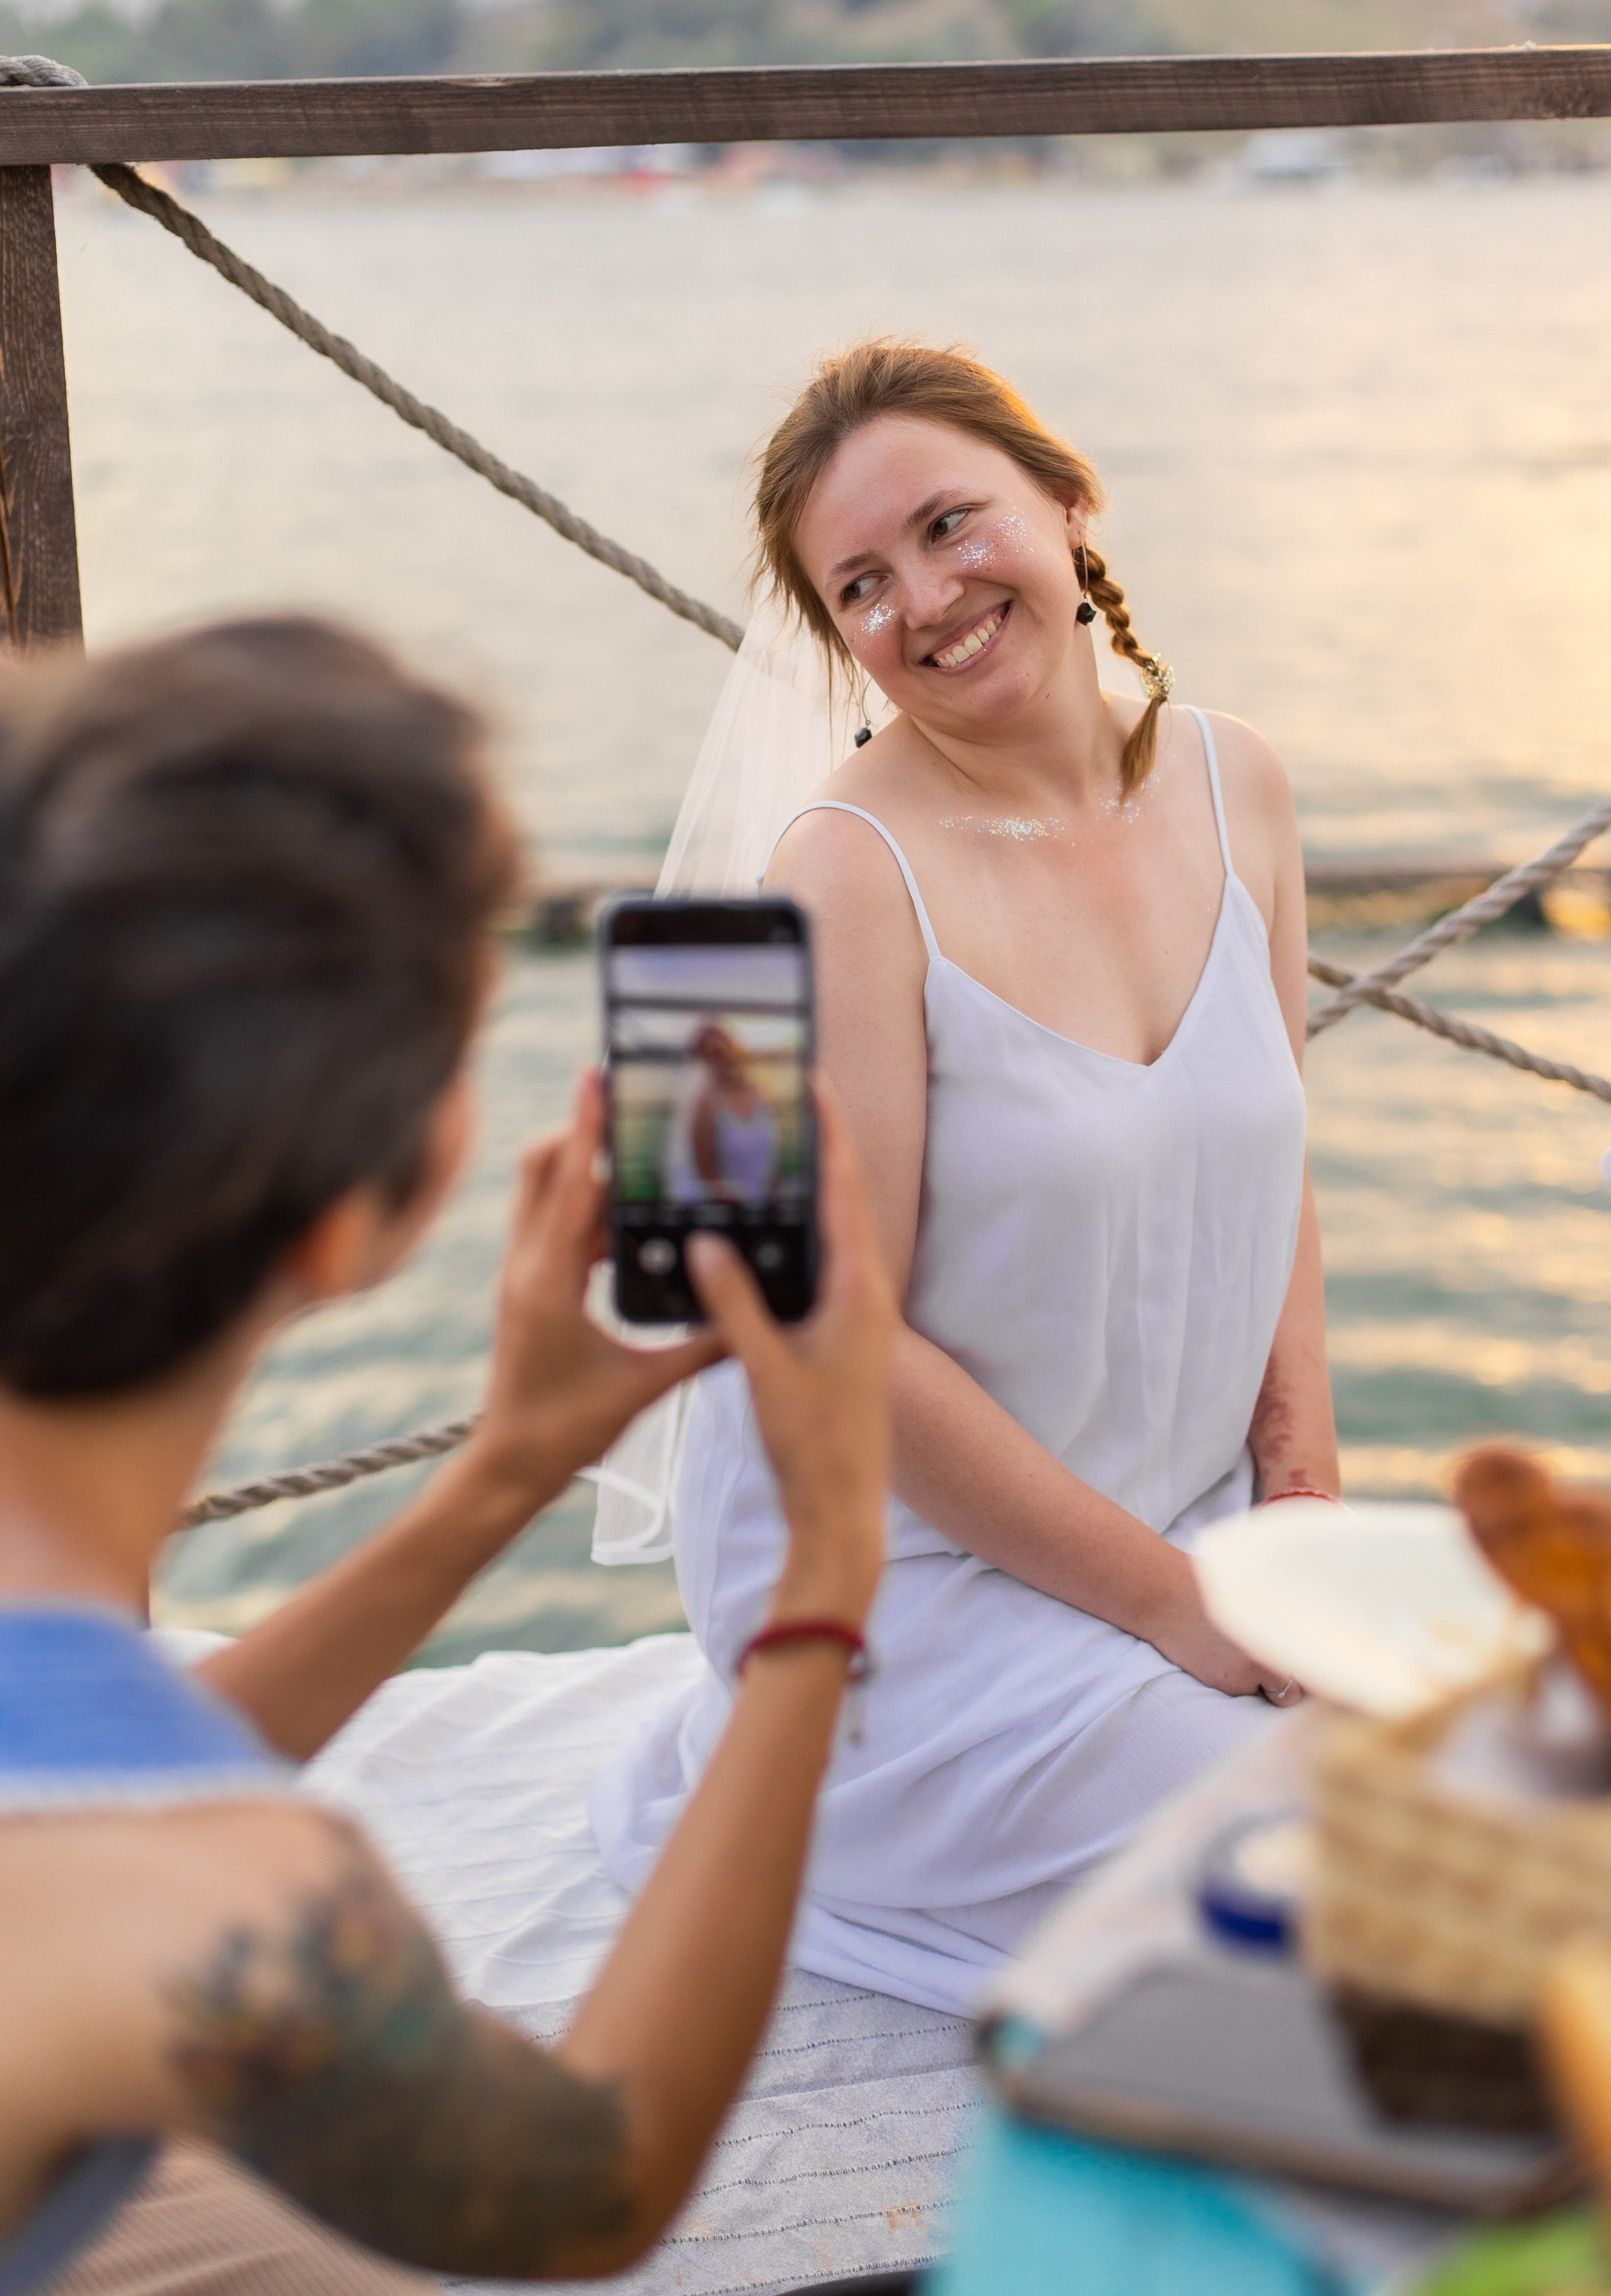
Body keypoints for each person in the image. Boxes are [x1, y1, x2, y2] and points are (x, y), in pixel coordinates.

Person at [0, 617, 895, 2289]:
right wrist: (827, 1560)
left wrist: (504, 1472)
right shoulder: (224, 1926)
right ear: (360, 1224)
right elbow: (587, 2184)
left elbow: (84, 1756)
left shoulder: (110, 1820)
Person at [593, 339, 1340, 2015]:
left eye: (950, 525)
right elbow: (831, 1353)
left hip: (1183, 1533)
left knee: (1541, 1771)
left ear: (1071, 506)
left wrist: (1299, 1506)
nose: (924, 598)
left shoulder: (1246, 786)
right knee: (1367, 1898)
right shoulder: (836, 884)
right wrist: (1182, 1618)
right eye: (860, 583)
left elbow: (1275, 1169)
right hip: (909, 1610)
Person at [664, 1022, 782, 1206]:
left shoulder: (759, 1092)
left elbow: (774, 1157)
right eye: (712, 1054)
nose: (722, 1056)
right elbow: (707, 1172)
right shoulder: (704, 1104)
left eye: (724, 1047)